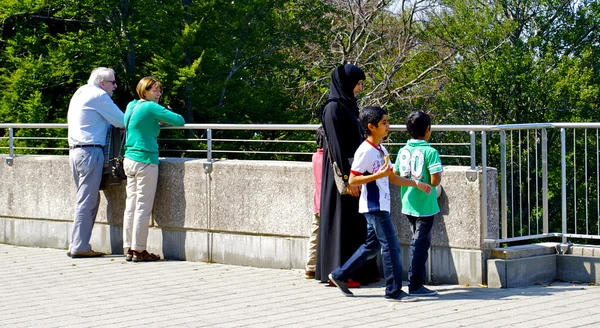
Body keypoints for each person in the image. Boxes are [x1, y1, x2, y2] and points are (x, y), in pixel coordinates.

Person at [328, 106, 432, 302]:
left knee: (371, 246)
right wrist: (378, 175)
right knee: (391, 247)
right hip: (373, 206)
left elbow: (392, 178)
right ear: (371, 126)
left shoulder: (381, 149)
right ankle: (393, 291)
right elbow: (352, 180)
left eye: (387, 121)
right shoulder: (365, 151)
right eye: (384, 122)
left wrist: (415, 183)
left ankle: (340, 274)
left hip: (381, 205)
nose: (388, 125)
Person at [316, 64, 379, 286]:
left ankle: (357, 271)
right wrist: (347, 179)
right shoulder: (333, 108)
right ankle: (339, 273)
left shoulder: (348, 106)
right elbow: (337, 147)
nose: (359, 88)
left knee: (354, 223)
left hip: (353, 172)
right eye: (358, 84)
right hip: (342, 176)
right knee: (342, 222)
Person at [122, 77, 185, 262]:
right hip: (145, 160)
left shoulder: (131, 106)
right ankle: (139, 250)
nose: (158, 94)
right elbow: (178, 120)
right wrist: (161, 119)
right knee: (143, 206)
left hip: (129, 159)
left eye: (160, 91)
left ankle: (129, 248)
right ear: (145, 91)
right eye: (155, 90)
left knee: (131, 206)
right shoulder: (150, 107)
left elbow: (139, 126)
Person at [67, 67, 125, 258]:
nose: (115, 86)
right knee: (87, 200)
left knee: (87, 199)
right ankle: (79, 246)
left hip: (77, 152)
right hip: (90, 152)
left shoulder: (81, 92)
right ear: (102, 83)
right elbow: (122, 120)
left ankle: (78, 244)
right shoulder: (99, 95)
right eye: (113, 82)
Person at [394, 110, 443, 296]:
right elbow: (435, 180)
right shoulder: (431, 152)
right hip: (425, 206)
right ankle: (415, 283)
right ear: (428, 129)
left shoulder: (403, 150)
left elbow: (397, 174)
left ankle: (416, 281)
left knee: (419, 239)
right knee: (420, 243)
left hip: (407, 202)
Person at [305, 126, 324, 279]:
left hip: (317, 203)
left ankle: (310, 266)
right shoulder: (328, 158)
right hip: (326, 204)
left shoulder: (315, 157)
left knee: (314, 235)